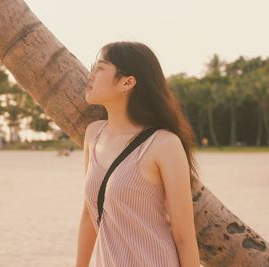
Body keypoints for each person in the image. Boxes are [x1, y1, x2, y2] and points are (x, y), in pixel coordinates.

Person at [76, 41, 200, 267]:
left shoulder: (163, 144)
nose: (90, 74)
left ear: (128, 82)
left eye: (100, 68)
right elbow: (88, 213)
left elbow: (184, 237)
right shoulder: (93, 135)